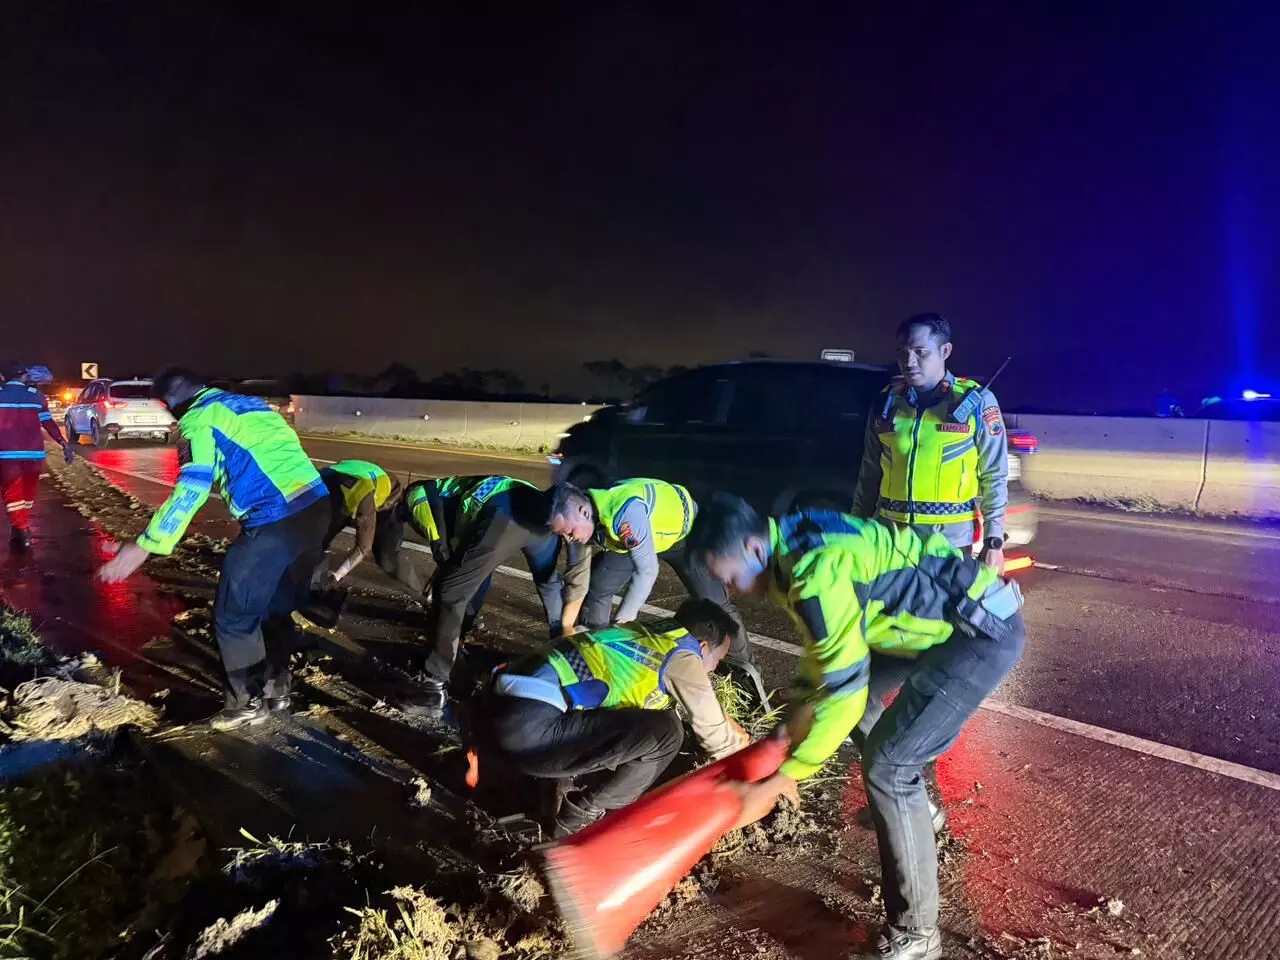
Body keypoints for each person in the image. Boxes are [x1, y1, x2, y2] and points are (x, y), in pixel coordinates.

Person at [687, 495, 1025, 960]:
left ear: (753, 549)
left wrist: (785, 778)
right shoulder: (791, 546)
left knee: (888, 766)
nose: (729, 590)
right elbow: (828, 653)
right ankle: (920, 812)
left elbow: (843, 693)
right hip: (931, 626)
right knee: (866, 728)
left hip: (978, 633)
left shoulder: (812, 570)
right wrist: (793, 721)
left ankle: (917, 936)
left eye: (728, 577)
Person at [96, 368, 330, 730]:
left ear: (168, 405)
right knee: (275, 606)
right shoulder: (251, 404)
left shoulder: (197, 419)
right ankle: (276, 688)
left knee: (234, 617)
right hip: (315, 508)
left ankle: (247, 703)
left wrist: (144, 547)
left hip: (275, 519)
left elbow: (193, 487)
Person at [484, 598, 748, 837]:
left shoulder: (649, 634)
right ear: (702, 646)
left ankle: (556, 788)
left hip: (498, 712)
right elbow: (717, 739)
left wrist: (725, 721)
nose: (714, 670)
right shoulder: (683, 655)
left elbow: (692, 703)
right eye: (718, 660)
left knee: (639, 720)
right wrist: (754, 765)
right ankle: (581, 819)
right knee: (667, 732)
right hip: (528, 735)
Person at [547, 478, 761, 681]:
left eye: (570, 532)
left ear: (584, 512)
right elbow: (579, 577)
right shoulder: (581, 519)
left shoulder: (624, 512)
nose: (569, 539)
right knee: (598, 587)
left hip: (684, 536)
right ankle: (596, 656)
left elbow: (647, 571)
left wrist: (621, 627)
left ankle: (746, 672)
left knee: (717, 604)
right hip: (638, 540)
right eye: (563, 535)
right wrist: (567, 628)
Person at [402, 476, 575, 715]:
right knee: (546, 583)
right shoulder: (466, 485)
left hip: (503, 518)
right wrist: (563, 633)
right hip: (535, 516)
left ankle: (432, 687)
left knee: (452, 589)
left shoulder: (416, 499)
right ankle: (567, 657)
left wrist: (446, 573)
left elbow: (445, 557)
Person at [852, 313, 1009, 573]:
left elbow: (995, 475)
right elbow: (869, 473)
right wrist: (856, 526)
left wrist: (993, 543)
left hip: (949, 544)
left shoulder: (975, 402)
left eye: (920, 352)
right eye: (902, 353)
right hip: (891, 538)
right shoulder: (886, 402)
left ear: (945, 351)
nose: (908, 362)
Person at [317, 459, 422, 592]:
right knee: (320, 540)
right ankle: (313, 583)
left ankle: (423, 594)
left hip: (387, 503)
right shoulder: (317, 481)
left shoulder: (361, 498)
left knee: (386, 559)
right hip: (351, 488)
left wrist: (336, 577)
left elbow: (362, 547)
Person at [0, 364, 74, 551]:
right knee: (27, 494)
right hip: (34, 454)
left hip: (7, 455)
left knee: (13, 495)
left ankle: (22, 530)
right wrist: (63, 443)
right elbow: (48, 422)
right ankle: (19, 530)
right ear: (23, 376)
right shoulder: (36, 396)